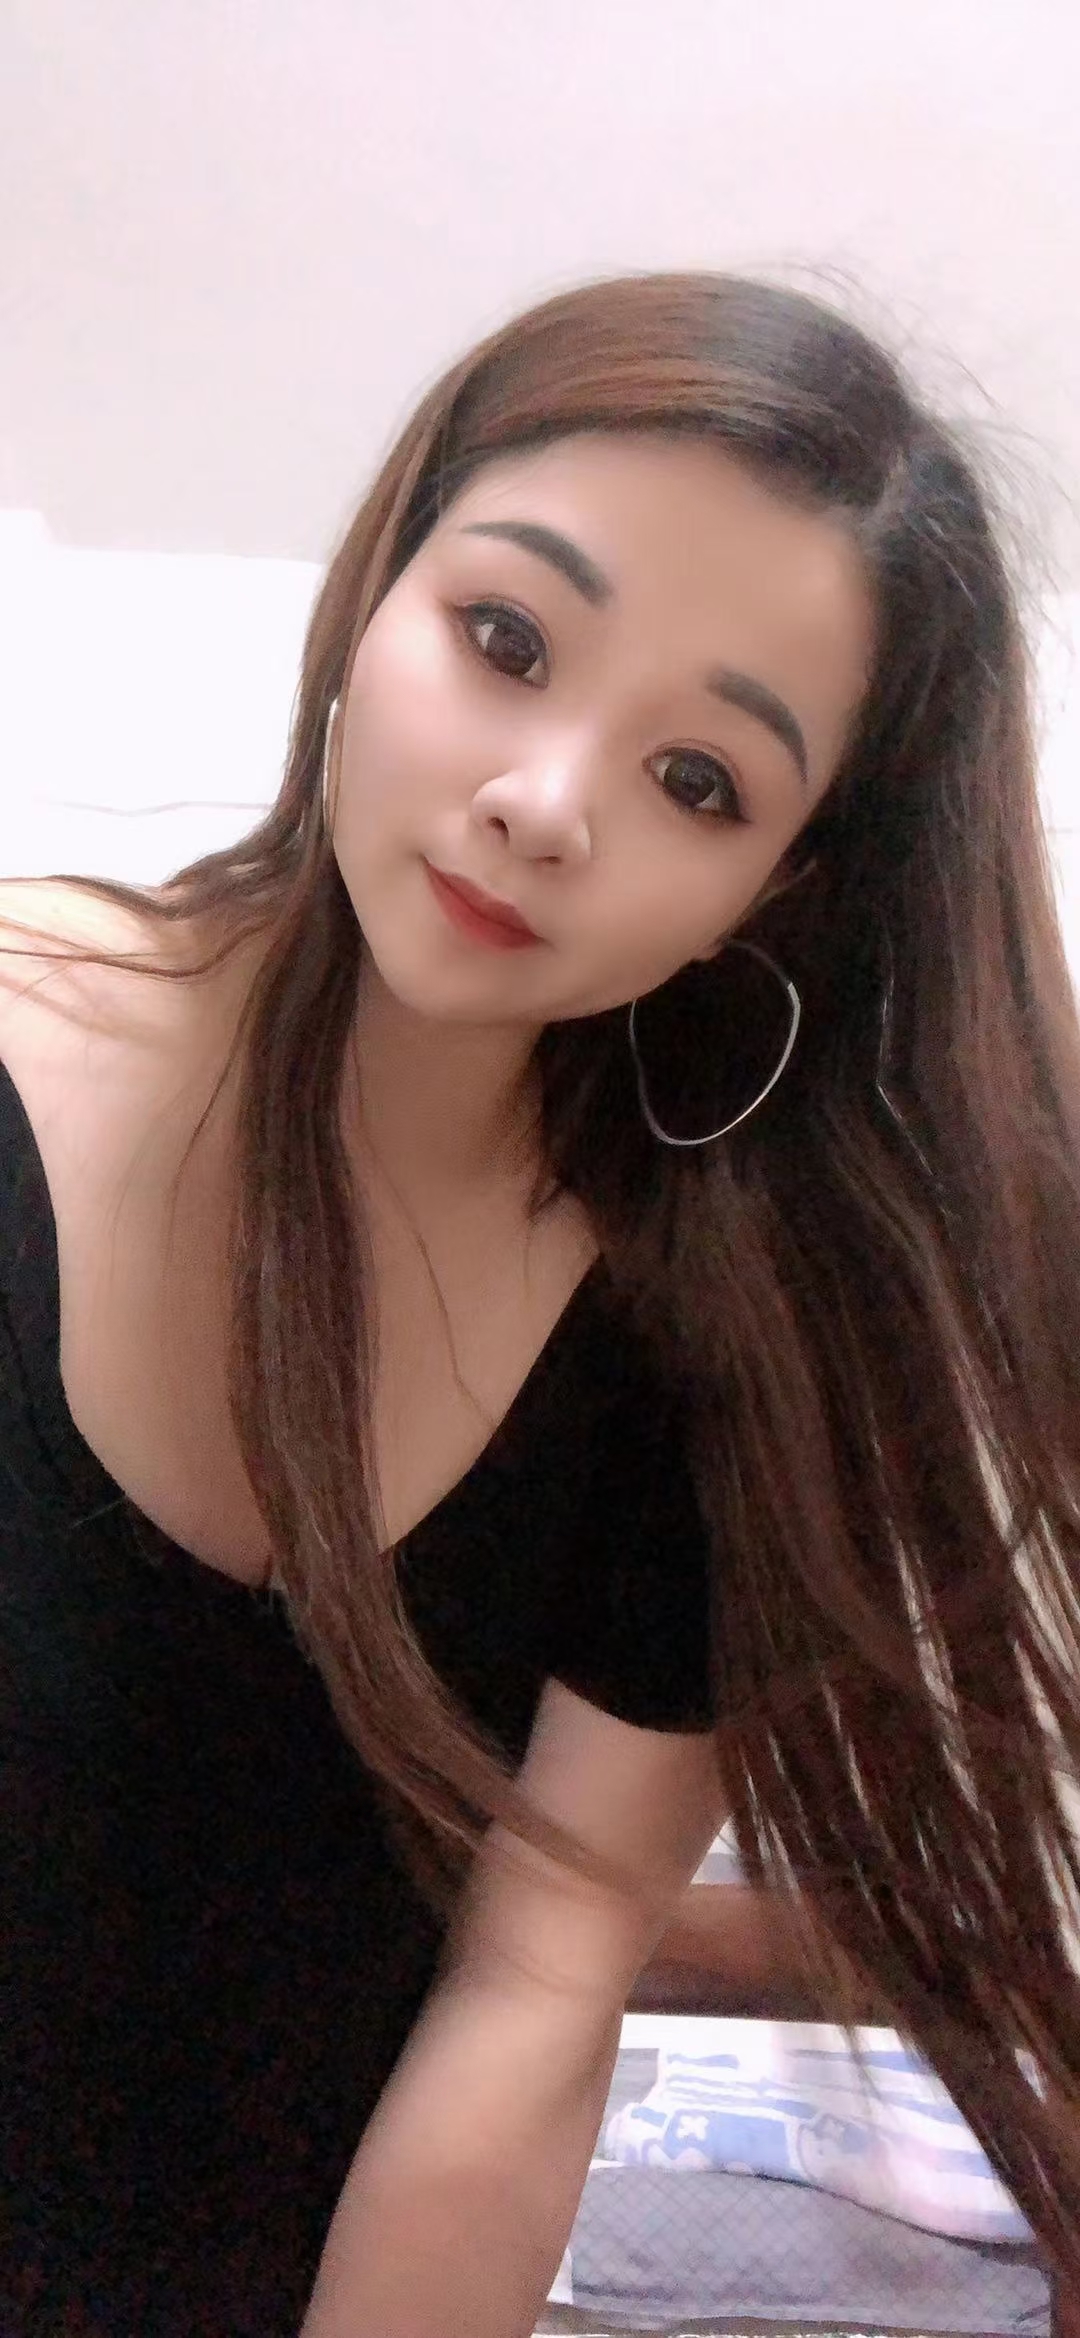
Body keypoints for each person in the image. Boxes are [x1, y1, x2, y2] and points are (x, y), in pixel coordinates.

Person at [1, 269, 1078, 2337]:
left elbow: (534, 1993)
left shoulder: (701, 1350)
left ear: (770, 895)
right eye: (505, 639)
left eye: (702, 780)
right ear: (378, 585)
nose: (547, 798)